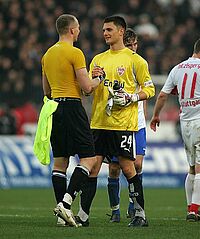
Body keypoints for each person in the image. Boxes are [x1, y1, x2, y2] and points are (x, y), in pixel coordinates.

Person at [77, 15, 155, 227]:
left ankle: (140, 214)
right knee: (92, 169)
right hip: (99, 123)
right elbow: (87, 92)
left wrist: (132, 97)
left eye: (109, 30)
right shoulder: (98, 59)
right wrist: (93, 81)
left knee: (128, 169)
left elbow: (150, 88)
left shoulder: (135, 60)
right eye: (104, 30)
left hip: (122, 125)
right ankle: (83, 215)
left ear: (121, 31)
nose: (105, 33)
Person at [41, 14, 104, 227]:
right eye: (77, 28)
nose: (78, 31)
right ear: (71, 30)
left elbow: (47, 90)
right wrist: (99, 79)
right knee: (89, 159)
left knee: (60, 162)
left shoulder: (47, 55)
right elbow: (87, 88)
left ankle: (62, 217)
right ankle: (66, 204)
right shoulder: (75, 53)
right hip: (72, 108)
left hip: (54, 108)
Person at [150, 38, 200, 222]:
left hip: (185, 123)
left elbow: (162, 95)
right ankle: (195, 210)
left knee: (192, 169)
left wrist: (156, 116)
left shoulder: (178, 68)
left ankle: (190, 207)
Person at [107, 28, 148, 223]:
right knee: (115, 168)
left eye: (135, 44)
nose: (133, 48)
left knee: (137, 165)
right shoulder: (114, 62)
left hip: (137, 124)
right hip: (118, 124)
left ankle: (134, 207)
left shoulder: (139, 63)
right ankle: (115, 210)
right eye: (129, 44)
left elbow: (146, 90)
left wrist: (145, 117)